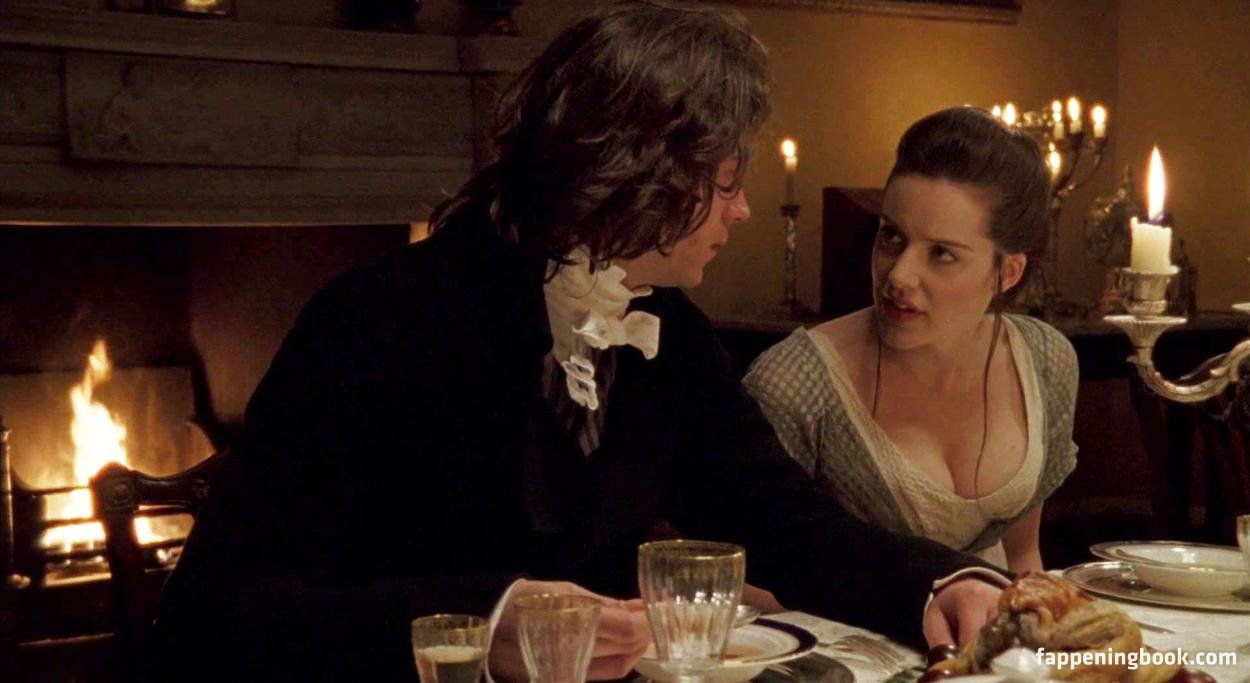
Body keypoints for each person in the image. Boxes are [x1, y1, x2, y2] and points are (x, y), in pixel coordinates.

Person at [152, 7, 1006, 681]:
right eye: (726, 182)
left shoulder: (667, 330)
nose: (742, 210)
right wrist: (484, 625)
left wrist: (938, 580)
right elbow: (216, 615)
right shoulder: (378, 321)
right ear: (637, 171)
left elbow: (783, 517)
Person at [744, 106, 1078, 575]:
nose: (899, 275)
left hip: (989, 617)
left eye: (941, 253)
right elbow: (741, 574)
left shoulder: (1044, 359)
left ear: (1007, 272)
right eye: (891, 237)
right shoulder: (796, 383)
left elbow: (1023, 557)